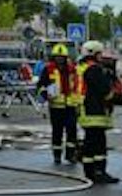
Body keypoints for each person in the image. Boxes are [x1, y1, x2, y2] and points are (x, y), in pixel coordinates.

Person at [37, 44, 86, 165]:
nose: (60, 59)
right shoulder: (48, 69)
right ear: (54, 57)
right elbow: (41, 85)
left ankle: (70, 155)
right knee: (57, 132)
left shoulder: (72, 69)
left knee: (72, 131)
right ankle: (57, 155)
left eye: (62, 57)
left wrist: (79, 103)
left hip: (70, 105)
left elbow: (78, 85)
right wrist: (44, 94)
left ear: (66, 57)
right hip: (55, 106)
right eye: (57, 57)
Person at [78, 40, 117, 182]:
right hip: (95, 110)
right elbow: (104, 90)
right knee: (99, 143)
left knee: (89, 142)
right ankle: (100, 171)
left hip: (85, 109)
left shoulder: (81, 67)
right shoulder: (94, 70)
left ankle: (89, 171)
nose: (102, 57)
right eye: (100, 54)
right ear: (94, 54)